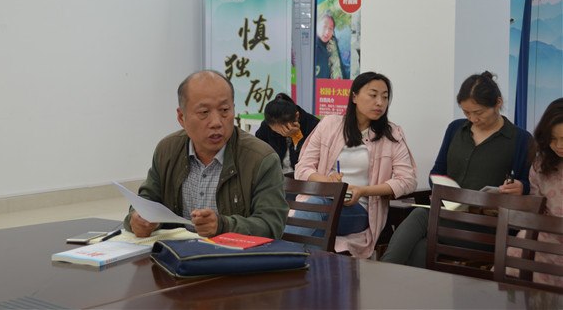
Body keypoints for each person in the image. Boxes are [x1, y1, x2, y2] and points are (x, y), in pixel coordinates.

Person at [381, 71, 532, 267]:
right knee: (420, 248)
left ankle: (382, 273)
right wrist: (443, 187)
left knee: (419, 219)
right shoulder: (455, 129)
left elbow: (529, 186)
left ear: (498, 103)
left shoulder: (520, 139)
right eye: (466, 112)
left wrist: (521, 187)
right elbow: (436, 172)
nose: (473, 118)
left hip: (490, 225)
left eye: (479, 112)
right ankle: (393, 279)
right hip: (450, 215)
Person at [123, 70, 288, 238]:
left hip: (233, 253)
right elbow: (146, 201)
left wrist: (223, 225)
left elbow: (271, 225)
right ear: (181, 117)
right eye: (204, 112)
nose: (216, 122)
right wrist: (137, 220)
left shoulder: (261, 158)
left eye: (225, 110)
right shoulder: (167, 150)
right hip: (176, 252)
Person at [289, 71, 418, 257]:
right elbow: (302, 168)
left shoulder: (392, 135)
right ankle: (308, 271)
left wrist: (362, 191)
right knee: (317, 229)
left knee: (318, 209)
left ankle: (274, 256)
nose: (380, 102)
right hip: (320, 202)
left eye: (385, 97)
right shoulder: (330, 124)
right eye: (373, 95)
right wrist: (327, 181)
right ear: (354, 96)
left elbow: (407, 180)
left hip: (361, 210)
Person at [508, 97, 563, 287]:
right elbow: (535, 209)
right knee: (519, 248)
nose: (558, 145)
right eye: (552, 139)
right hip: (547, 238)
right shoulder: (541, 165)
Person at [255, 93, 319, 175]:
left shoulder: (313, 126)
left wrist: (297, 137)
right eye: (277, 131)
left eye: (285, 128)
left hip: (302, 177)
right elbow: (258, 152)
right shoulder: (267, 125)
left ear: (297, 116)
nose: (282, 133)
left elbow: (308, 164)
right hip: (276, 176)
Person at [315, 12, 349, 79]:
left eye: (330, 28)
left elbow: (340, 65)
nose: (327, 32)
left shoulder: (333, 42)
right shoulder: (312, 47)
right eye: (324, 27)